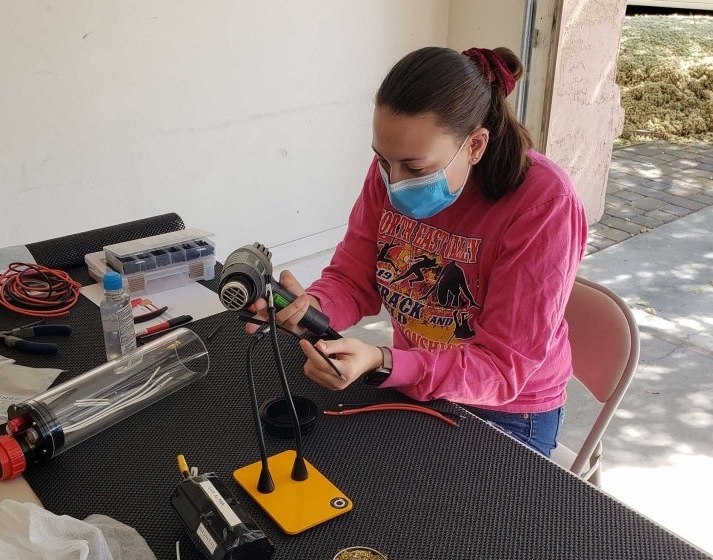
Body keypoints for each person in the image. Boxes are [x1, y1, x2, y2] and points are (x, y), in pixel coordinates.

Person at [247, 46, 587, 457]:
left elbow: (501, 367)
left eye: (415, 168)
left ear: (476, 145)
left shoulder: (543, 203)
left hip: (507, 408)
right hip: (418, 381)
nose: (394, 182)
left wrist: (384, 362)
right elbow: (353, 278)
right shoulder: (391, 172)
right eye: (383, 161)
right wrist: (311, 309)